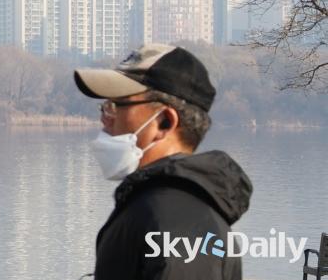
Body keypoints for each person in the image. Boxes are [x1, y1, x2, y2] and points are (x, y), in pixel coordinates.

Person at [74, 44, 253, 280]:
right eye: (105, 107)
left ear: (164, 122)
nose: (106, 120)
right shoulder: (154, 206)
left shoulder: (178, 220)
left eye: (116, 106)